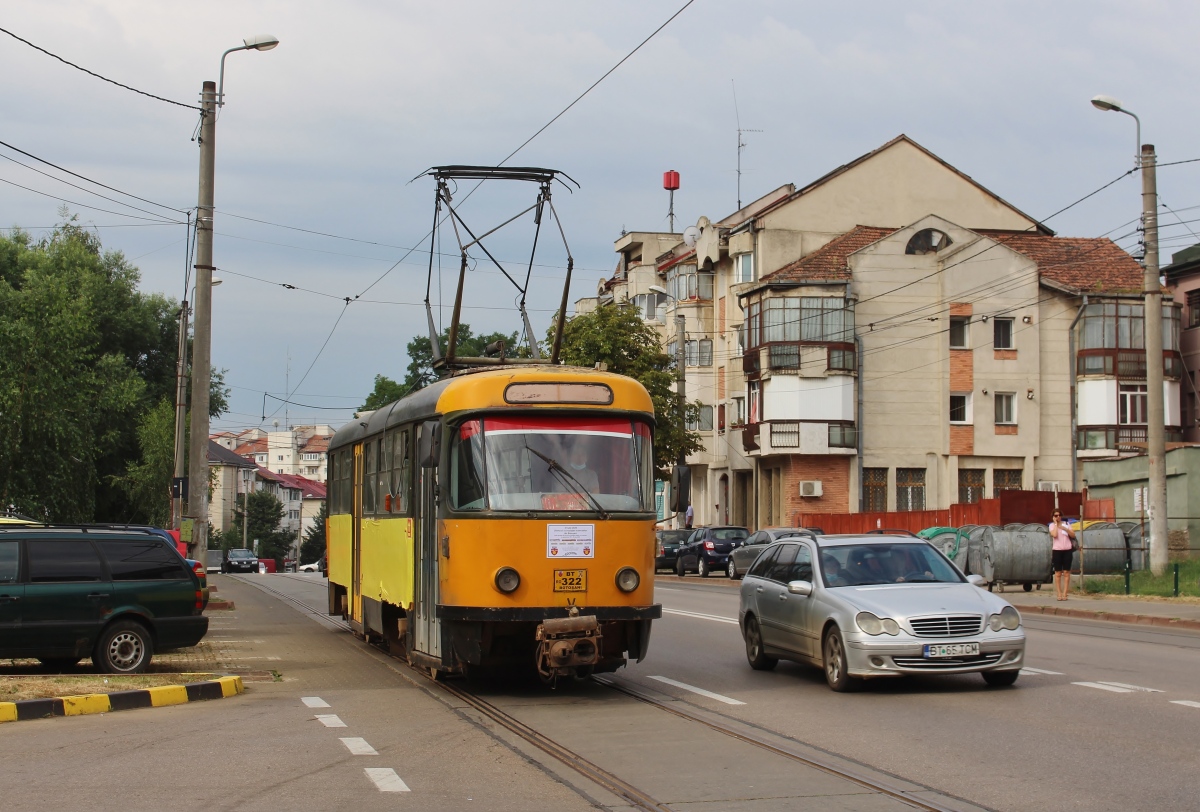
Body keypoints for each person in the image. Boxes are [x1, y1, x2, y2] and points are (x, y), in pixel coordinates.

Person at [1049, 510, 1076, 601]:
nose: (1058, 517)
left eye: (1059, 515)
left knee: (1066, 572)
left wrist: (1066, 529)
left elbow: (1073, 535)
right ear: (1053, 517)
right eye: (1056, 515)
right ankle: (1059, 593)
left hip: (1067, 550)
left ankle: (1065, 593)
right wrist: (1056, 524)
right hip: (1057, 550)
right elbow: (1054, 535)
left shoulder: (1067, 524)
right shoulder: (1052, 526)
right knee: (1058, 573)